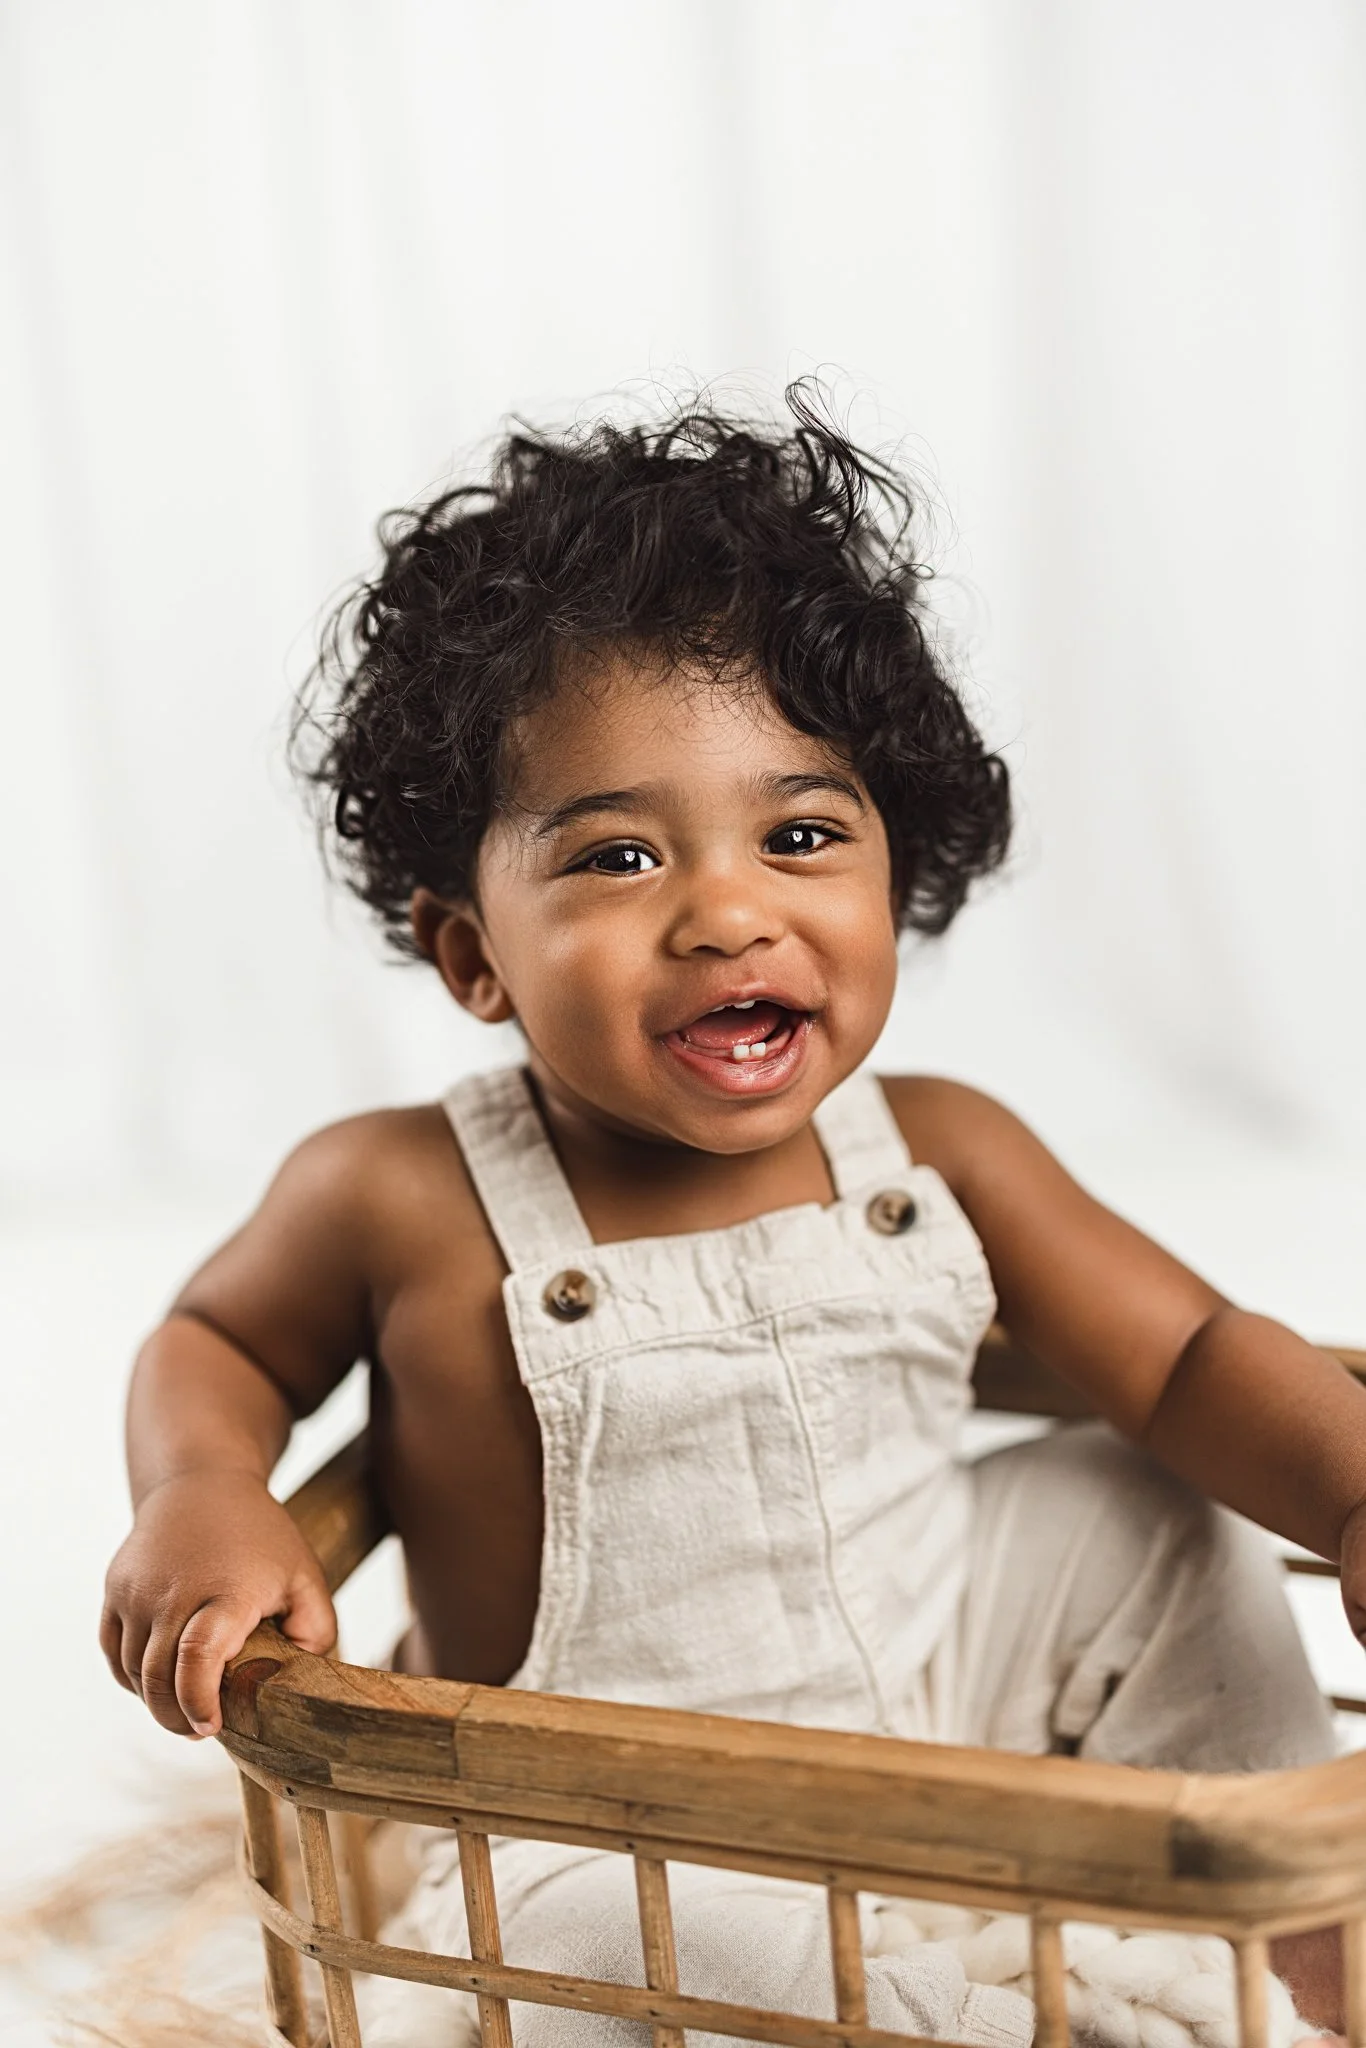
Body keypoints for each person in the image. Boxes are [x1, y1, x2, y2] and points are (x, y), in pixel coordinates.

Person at [100, 387, 1364, 2043]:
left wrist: (1344, 1497)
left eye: (798, 833)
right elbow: (214, 1335)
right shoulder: (394, 1194)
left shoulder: (941, 1153)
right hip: (589, 1824)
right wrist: (203, 1486)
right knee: (733, 1971)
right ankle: (974, 2013)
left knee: (1135, 1504)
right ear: (474, 951)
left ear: (890, 861)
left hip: (939, 1698)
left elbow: (1188, 1354)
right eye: (617, 859)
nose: (722, 909)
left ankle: (1299, 1952)